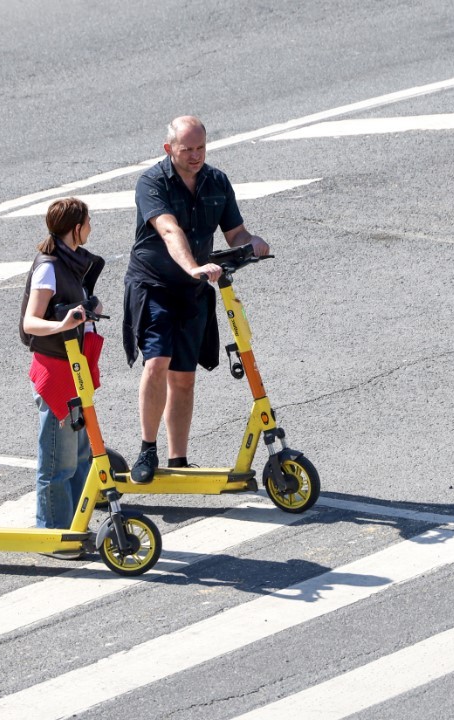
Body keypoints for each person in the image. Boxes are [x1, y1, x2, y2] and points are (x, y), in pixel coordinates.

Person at [122, 116, 270, 483]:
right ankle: (147, 449)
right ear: (168, 148)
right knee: (157, 362)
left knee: (184, 378)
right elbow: (169, 230)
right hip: (154, 285)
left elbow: (235, 231)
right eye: (187, 149)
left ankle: (178, 459)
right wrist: (192, 266)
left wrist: (251, 244)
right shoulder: (152, 182)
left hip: (193, 289)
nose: (195, 155)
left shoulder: (216, 181)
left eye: (200, 147)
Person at [20, 197, 105, 558]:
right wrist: (63, 324)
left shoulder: (71, 261)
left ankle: (75, 528)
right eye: (88, 222)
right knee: (58, 462)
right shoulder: (50, 266)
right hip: (56, 372)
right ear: (76, 228)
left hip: (73, 366)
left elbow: (74, 306)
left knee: (81, 457)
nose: (91, 227)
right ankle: (54, 535)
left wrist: (90, 307)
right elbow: (30, 322)